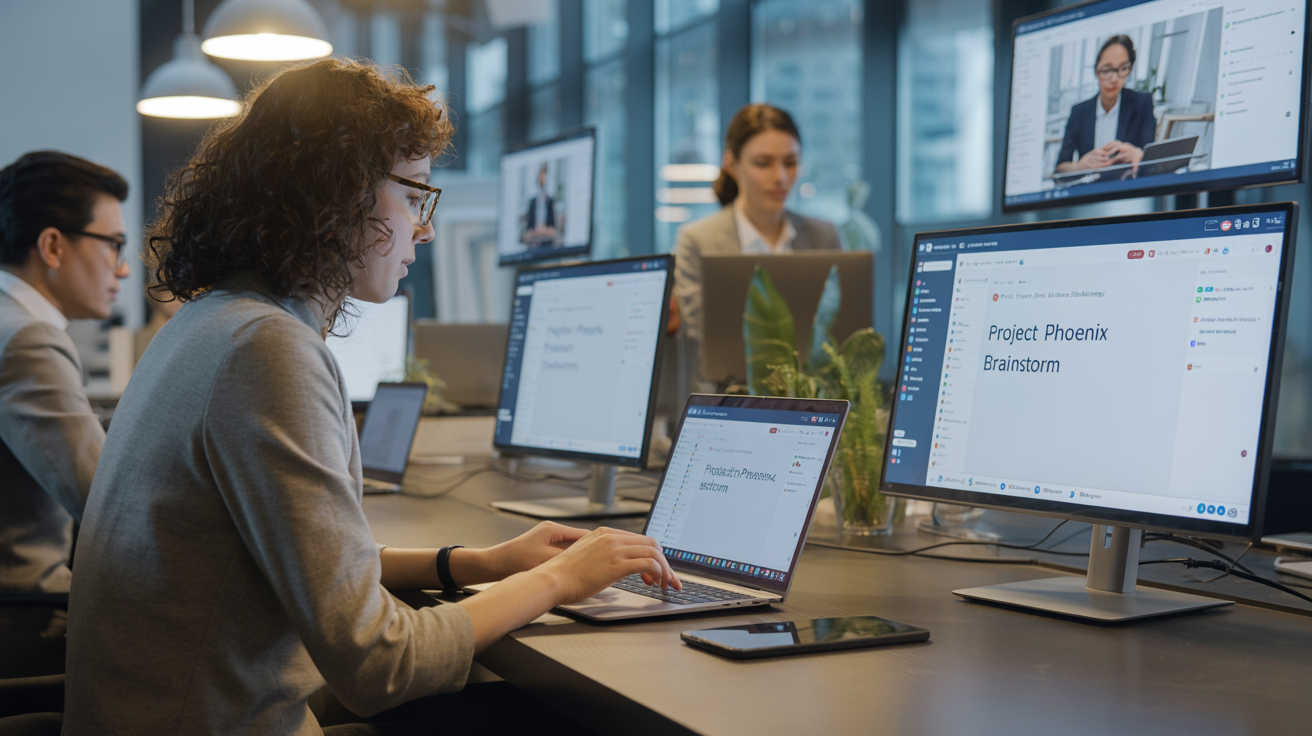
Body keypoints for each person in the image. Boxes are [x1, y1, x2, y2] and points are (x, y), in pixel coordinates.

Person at [63, 58, 678, 735]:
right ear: (337, 194)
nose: (426, 227)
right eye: (415, 195)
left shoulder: (212, 320)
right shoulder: (267, 352)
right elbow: (379, 663)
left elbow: (312, 566)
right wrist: (561, 579)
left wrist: (481, 564)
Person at [0, 150, 130, 677]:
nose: (123, 268)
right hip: (25, 619)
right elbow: (108, 504)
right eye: (114, 245)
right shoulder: (29, 340)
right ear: (53, 245)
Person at [672, 103, 842, 384]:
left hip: (813, 401)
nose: (780, 177)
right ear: (732, 164)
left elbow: (839, 337)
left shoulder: (825, 236)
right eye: (763, 163)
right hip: (731, 399)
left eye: (790, 162)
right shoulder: (697, 241)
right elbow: (707, 345)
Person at [1054, 35, 1157, 176]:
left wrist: (1138, 154)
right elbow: (1060, 169)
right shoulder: (1079, 111)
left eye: (1123, 69)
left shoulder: (1141, 103)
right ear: (1096, 71)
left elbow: (1151, 163)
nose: (1114, 79)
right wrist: (1080, 166)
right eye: (1107, 70)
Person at [521, 162, 558, 247]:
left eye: (544, 175)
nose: (542, 178)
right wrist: (536, 232)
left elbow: (554, 230)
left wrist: (544, 230)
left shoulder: (550, 201)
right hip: (533, 244)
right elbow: (527, 232)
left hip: (547, 245)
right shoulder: (532, 202)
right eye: (541, 175)